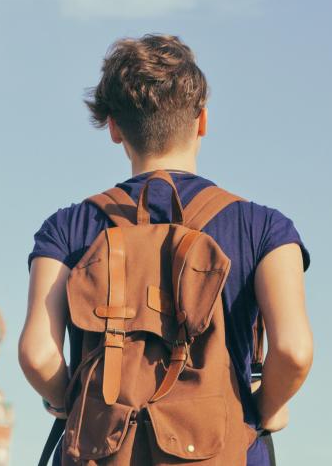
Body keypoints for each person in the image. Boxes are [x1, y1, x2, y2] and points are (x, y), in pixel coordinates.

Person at [18, 34, 313, 465]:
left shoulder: (66, 229)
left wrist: (73, 403)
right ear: (202, 121)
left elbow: (36, 353)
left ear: (114, 128)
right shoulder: (264, 228)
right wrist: (263, 410)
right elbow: (293, 351)